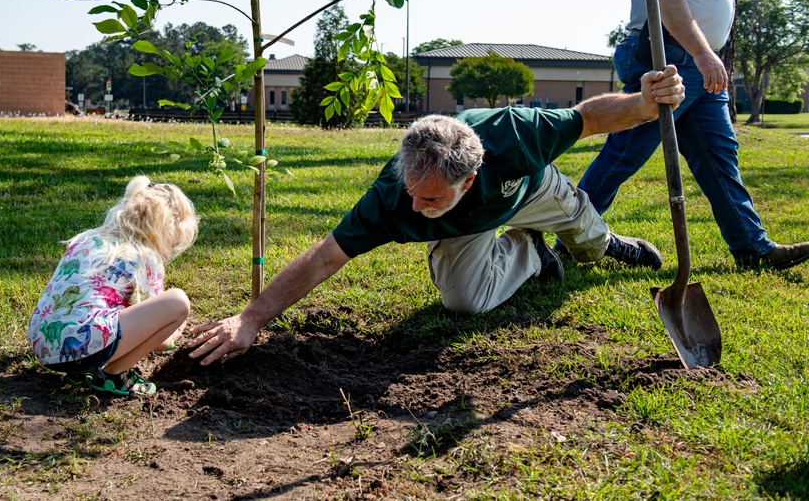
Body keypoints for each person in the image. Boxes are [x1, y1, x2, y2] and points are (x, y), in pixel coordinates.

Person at [188, 67, 686, 365]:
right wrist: (251, 319)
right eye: (411, 192)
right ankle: (530, 251)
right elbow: (323, 258)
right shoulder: (393, 198)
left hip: (528, 190)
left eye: (429, 200)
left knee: (589, 244)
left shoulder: (518, 134)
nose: (413, 208)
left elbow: (594, 117)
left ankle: (605, 242)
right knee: (465, 301)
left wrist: (644, 102)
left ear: (467, 181)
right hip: (471, 225)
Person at [571, 0, 809, 270]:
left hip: (695, 64)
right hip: (667, 60)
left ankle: (754, 250)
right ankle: (567, 242)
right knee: (623, 156)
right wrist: (704, 55)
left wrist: (705, 58)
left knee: (719, 159)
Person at [27, 176, 198, 396]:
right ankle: (115, 374)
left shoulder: (86, 239)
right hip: (84, 352)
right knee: (178, 302)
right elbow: (158, 341)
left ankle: (83, 371)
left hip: (44, 346)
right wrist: (174, 334)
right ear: (166, 231)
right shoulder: (145, 258)